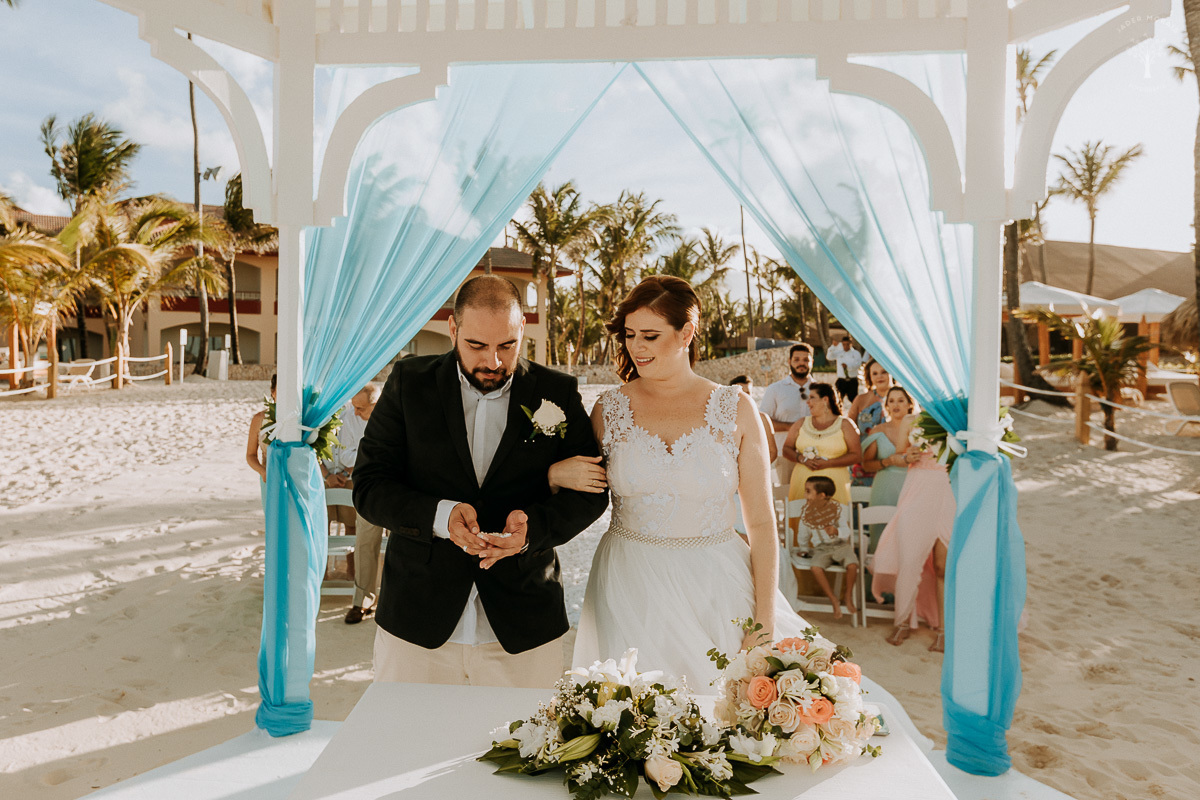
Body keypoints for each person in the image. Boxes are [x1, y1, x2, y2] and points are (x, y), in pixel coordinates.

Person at [353, 275, 608, 687]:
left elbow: (591, 493)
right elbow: (369, 485)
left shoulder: (556, 392)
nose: (493, 361)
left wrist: (531, 532)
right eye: (476, 345)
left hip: (524, 624)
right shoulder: (408, 383)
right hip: (417, 623)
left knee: (526, 752)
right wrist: (441, 516)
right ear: (453, 329)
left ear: (522, 329)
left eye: (507, 345)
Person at [565, 276, 813, 687]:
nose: (636, 347)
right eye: (629, 335)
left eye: (650, 335)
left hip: (716, 584)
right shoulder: (609, 409)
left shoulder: (735, 408)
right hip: (628, 582)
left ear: (687, 333)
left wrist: (763, 623)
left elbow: (763, 526)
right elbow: (574, 487)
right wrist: (555, 474)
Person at [869, 413, 955, 653]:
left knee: (942, 566)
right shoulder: (911, 420)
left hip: (948, 491)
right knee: (908, 560)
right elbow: (900, 455)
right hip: (917, 492)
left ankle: (944, 632)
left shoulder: (955, 417)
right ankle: (902, 622)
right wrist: (908, 456)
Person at [343, 383, 386, 625]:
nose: (356, 412)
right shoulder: (350, 417)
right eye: (354, 407)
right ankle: (362, 602)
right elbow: (344, 457)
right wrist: (372, 454)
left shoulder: (395, 414)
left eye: (361, 408)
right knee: (365, 542)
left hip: (400, 486)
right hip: (368, 487)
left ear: (375, 404)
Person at [782, 382, 861, 507]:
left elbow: (856, 455)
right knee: (800, 520)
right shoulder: (801, 423)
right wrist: (802, 459)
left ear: (825, 399)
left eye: (812, 397)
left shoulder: (845, 424)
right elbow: (786, 449)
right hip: (802, 482)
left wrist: (829, 463)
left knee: (834, 521)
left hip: (835, 483)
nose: (808, 402)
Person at [791, 475, 858, 620]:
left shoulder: (837, 509)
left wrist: (837, 532)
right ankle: (833, 598)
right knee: (816, 567)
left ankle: (848, 595)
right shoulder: (807, 513)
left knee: (852, 565)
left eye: (808, 491)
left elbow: (847, 531)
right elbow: (803, 533)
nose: (805, 495)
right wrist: (803, 548)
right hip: (821, 548)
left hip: (840, 545)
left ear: (821, 496)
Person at [859, 386, 915, 552]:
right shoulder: (878, 431)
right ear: (887, 406)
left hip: (912, 486)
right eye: (891, 401)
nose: (895, 404)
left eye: (900, 400)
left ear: (909, 405)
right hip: (885, 487)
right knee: (882, 536)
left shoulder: (919, 430)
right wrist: (888, 461)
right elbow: (866, 464)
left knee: (909, 536)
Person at [759, 344, 815, 485]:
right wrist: (794, 427)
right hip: (784, 454)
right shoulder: (775, 389)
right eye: (796, 359)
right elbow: (763, 423)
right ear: (789, 361)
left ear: (812, 362)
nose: (801, 363)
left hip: (816, 453)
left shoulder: (821, 389)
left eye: (805, 360)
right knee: (788, 499)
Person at [845, 358, 893, 487]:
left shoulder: (903, 398)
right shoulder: (861, 400)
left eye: (884, 372)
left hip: (892, 461)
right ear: (869, 377)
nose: (879, 377)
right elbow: (848, 429)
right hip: (863, 461)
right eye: (875, 373)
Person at [729, 375, 777, 463]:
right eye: (740, 393)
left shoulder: (762, 419)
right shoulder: (724, 421)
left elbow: (772, 452)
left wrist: (757, 472)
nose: (744, 397)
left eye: (747, 393)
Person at [245, 374, 276, 506]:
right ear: (273, 392)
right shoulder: (259, 419)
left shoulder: (301, 419)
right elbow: (250, 455)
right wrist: (263, 472)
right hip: (269, 479)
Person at [831, 336, 863, 405]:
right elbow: (829, 357)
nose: (845, 346)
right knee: (837, 401)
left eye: (847, 344)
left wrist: (848, 366)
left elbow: (858, 365)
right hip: (841, 380)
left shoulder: (856, 353)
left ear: (851, 344)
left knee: (854, 401)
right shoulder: (839, 353)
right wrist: (833, 347)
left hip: (852, 381)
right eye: (844, 344)